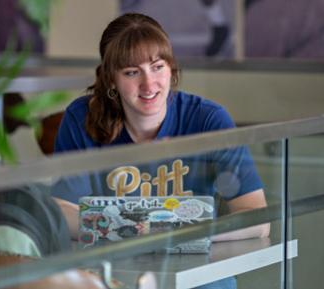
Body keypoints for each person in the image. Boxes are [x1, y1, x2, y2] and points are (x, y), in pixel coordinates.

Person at [52, 13, 270, 289]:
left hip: (200, 278)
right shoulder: (81, 118)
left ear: (171, 69)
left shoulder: (208, 120)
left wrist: (182, 233)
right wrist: (148, 229)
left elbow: (258, 220)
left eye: (157, 67)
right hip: (112, 277)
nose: (149, 84)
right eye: (132, 72)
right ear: (111, 80)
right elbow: (61, 211)